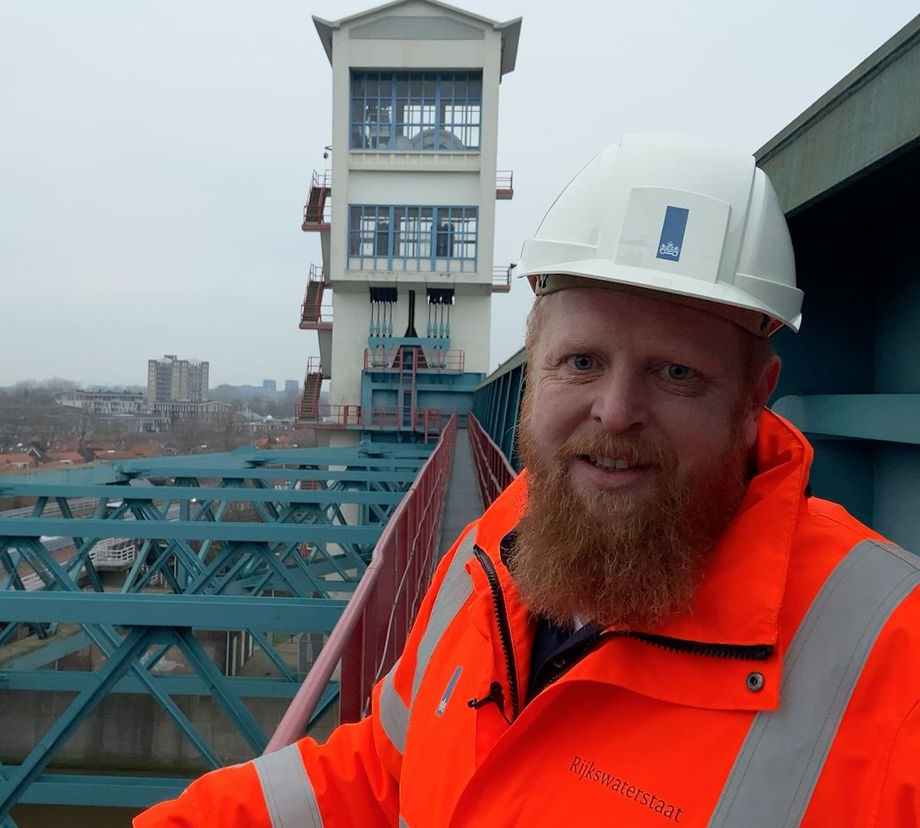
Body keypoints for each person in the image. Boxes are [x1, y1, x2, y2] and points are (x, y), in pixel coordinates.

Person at [136, 134, 920, 826]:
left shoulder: (890, 666)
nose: (615, 413)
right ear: (534, 364)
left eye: (677, 374)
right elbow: (384, 773)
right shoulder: (484, 556)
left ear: (756, 397)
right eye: (582, 362)